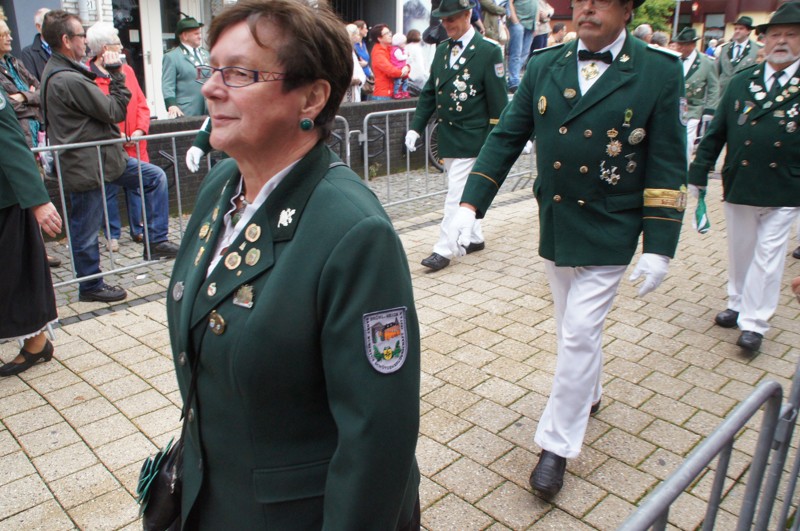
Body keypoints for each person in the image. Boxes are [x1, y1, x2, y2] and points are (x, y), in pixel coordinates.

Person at [168, 0, 421, 527]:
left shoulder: (353, 233)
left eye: (240, 73)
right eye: (212, 69)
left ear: (311, 96)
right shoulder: (222, 185)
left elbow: (378, 435)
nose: (211, 88)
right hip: (211, 498)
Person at [446, 0, 686, 497]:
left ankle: (556, 445)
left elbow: (666, 159)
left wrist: (659, 244)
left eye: (601, 0)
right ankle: (589, 391)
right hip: (558, 220)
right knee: (569, 326)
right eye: (580, 1)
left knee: (577, 331)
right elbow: (507, 136)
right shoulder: (544, 64)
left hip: (613, 223)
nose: (587, 8)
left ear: (627, 10)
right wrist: (470, 206)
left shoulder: (658, 70)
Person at [41, 10, 180, 303]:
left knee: (154, 177)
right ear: (66, 40)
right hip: (85, 164)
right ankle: (90, 285)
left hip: (103, 159)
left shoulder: (67, 72)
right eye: (81, 35)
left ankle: (155, 241)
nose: (85, 40)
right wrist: (117, 75)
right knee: (86, 229)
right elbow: (114, 111)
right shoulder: (67, 78)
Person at [688, 1, 800, 355]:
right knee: (740, 251)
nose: (781, 41)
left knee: (768, 256)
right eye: (775, 34)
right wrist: (699, 170)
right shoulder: (742, 82)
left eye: (791, 35)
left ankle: (755, 323)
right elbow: (718, 131)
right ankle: (737, 303)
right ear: (763, 40)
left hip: (786, 187)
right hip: (741, 181)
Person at [405, 0, 507, 272]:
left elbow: (498, 102)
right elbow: (430, 92)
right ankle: (474, 236)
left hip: (474, 138)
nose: (446, 24)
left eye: (451, 19)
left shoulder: (488, 51)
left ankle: (443, 248)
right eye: (443, 19)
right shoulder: (442, 50)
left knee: (455, 195)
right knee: (463, 189)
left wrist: (502, 140)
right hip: (449, 137)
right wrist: (416, 127)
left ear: (467, 14)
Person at [0, 85, 62, 376]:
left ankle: (37, 342)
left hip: (6, 201)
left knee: (17, 274)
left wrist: (37, 200)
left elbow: (8, 139)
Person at [86, 21, 147, 250]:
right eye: (116, 43)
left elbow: (140, 102)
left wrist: (140, 129)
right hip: (111, 144)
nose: (122, 47)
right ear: (104, 49)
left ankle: (138, 228)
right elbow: (95, 111)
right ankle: (112, 234)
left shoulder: (127, 70)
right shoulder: (87, 76)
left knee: (136, 186)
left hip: (134, 141)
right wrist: (116, 134)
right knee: (109, 190)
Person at [673, 27, 719, 163]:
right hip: (671, 106)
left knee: (687, 142)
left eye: (683, 45)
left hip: (692, 108)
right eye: (678, 44)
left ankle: (684, 169)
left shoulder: (706, 63)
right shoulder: (673, 59)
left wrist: (710, 110)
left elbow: (714, 87)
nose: (679, 47)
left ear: (692, 45)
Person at [0, 20, 42, 151]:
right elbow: (7, 106)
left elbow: (43, 91)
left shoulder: (15, 63)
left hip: (37, 137)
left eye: (9, 33)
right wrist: (33, 101)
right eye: (4, 34)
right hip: (17, 141)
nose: (10, 38)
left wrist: (23, 97)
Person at [162, 16, 209, 118]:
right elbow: (168, 85)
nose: (200, 37)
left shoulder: (206, 54)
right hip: (187, 110)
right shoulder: (172, 57)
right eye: (196, 34)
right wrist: (172, 104)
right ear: (184, 36)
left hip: (209, 109)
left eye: (200, 33)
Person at [716, 16, 760, 95]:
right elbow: (717, 71)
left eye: (741, 29)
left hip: (742, 92)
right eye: (735, 29)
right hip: (722, 92)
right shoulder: (725, 48)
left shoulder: (756, 50)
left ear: (748, 31)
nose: (737, 31)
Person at [370, 24, 411, 100]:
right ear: (379, 38)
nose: (390, 35)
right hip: (384, 94)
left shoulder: (392, 48)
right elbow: (390, 70)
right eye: (386, 33)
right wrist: (403, 72)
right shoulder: (378, 52)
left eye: (389, 32)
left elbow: (403, 61)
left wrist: (407, 67)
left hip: (394, 91)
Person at [506, 0, 537, 91]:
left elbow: (537, 5)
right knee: (516, 52)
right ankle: (514, 80)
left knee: (525, 53)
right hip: (518, 22)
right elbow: (509, 2)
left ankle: (514, 77)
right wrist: (515, 20)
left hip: (531, 24)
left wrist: (536, 23)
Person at [20, 8, 51, 81]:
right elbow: (33, 82)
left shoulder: (63, 46)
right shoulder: (28, 53)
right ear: (39, 27)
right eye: (50, 23)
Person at [344, 23, 366, 102]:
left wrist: (359, 80)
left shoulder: (353, 50)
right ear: (351, 35)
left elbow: (358, 71)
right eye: (357, 34)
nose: (359, 36)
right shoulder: (345, 51)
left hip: (355, 89)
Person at [390, 33, 411, 99]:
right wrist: (406, 56)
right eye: (403, 43)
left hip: (402, 68)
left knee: (405, 81)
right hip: (398, 68)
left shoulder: (399, 50)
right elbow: (400, 57)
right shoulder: (397, 50)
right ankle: (396, 92)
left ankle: (404, 91)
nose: (405, 44)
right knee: (398, 82)